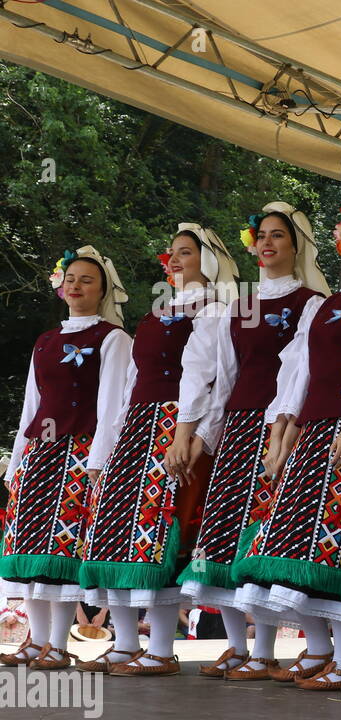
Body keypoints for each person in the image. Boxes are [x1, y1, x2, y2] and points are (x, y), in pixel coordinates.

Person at [232, 198, 341, 690]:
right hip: (314, 430)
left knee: (339, 543)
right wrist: (281, 434)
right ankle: (319, 649)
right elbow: (299, 371)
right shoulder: (326, 303)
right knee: (294, 544)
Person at [174, 202, 329, 679]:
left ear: (296, 245)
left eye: (278, 235)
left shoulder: (311, 302)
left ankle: (266, 651)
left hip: (278, 428)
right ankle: (238, 648)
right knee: (223, 540)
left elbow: (304, 373)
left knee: (263, 535)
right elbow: (224, 379)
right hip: (238, 429)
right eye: (261, 235)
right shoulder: (237, 307)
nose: (266, 243)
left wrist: (287, 428)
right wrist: (204, 434)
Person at [77, 226, 237, 675]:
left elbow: (216, 382)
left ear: (207, 259)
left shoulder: (215, 310)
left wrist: (195, 436)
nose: (176, 260)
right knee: (115, 537)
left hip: (175, 429)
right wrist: (105, 451)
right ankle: (125, 644)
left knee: (159, 538)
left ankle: (162, 649)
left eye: (187, 252)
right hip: (135, 429)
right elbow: (128, 386)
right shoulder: (155, 314)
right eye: (173, 253)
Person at [0, 247, 131, 668]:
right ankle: (36, 642)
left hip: (79, 452)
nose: (75, 286)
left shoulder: (112, 338)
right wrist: (18, 459)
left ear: (103, 289)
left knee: (62, 549)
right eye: (70, 278)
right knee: (28, 550)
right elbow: (31, 404)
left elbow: (113, 404)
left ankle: (58, 644)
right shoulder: (47, 340)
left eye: (86, 280)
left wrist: (99, 458)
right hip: (40, 451)